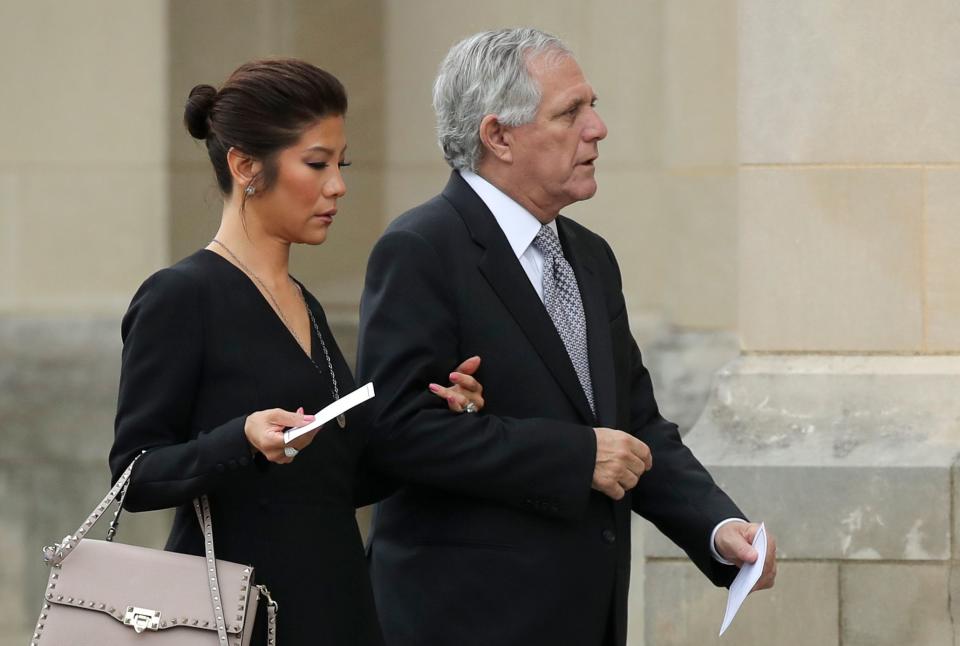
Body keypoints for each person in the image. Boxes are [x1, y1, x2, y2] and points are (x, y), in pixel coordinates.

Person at [357, 28, 777, 646]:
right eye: (571, 111)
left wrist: (717, 528)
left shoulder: (589, 255)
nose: (598, 128)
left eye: (592, 104)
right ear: (498, 136)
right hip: (464, 618)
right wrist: (576, 457)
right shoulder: (420, 249)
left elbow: (633, 422)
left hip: (586, 616)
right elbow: (393, 433)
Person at [108, 58, 485, 646]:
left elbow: (339, 481)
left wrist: (439, 408)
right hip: (234, 618)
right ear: (245, 167)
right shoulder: (181, 296)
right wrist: (243, 439)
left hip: (335, 608)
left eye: (341, 164)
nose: (338, 185)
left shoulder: (304, 303)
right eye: (317, 163)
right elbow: (134, 477)